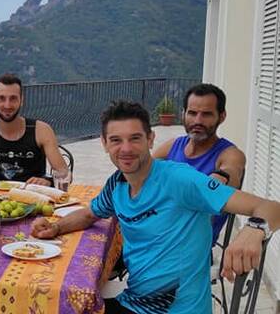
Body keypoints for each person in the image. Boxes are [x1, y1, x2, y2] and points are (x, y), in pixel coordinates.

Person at [31, 101, 279, 313]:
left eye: (135, 138)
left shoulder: (180, 180)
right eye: (116, 140)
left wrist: (255, 229)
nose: (125, 149)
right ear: (105, 144)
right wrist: (55, 227)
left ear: (150, 139)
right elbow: (89, 213)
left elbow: (270, 207)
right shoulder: (117, 184)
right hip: (134, 302)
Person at [153, 84, 245, 245]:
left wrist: (217, 180)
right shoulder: (173, 146)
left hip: (188, 249)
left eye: (207, 114)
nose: (198, 121)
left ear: (221, 116)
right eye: (192, 113)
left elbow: (230, 172)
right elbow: (143, 174)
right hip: (155, 232)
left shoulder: (229, 153)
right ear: (184, 114)